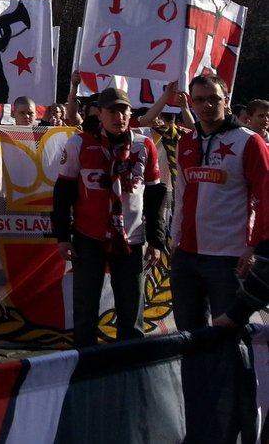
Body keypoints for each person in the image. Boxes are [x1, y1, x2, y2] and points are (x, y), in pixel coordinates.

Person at [51, 87, 166, 347]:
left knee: (131, 305)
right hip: (88, 236)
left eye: (123, 110)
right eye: (112, 111)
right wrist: (62, 236)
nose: (119, 116)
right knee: (85, 305)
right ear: (99, 114)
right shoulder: (80, 142)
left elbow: (155, 196)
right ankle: (85, 361)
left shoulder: (144, 144)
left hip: (131, 238)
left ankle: (127, 361)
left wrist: (157, 241)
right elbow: (63, 193)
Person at [171, 74, 269, 331]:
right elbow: (180, 195)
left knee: (227, 339)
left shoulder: (249, 141)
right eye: (200, 100)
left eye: (213, 98)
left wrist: (253, 248)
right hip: (187, 256)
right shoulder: (186, 142)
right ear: (191, 103)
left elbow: (265, 201)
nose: (207, 105)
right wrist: (174, 241)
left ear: (227, 100)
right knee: (188, 339)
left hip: (228, 257)